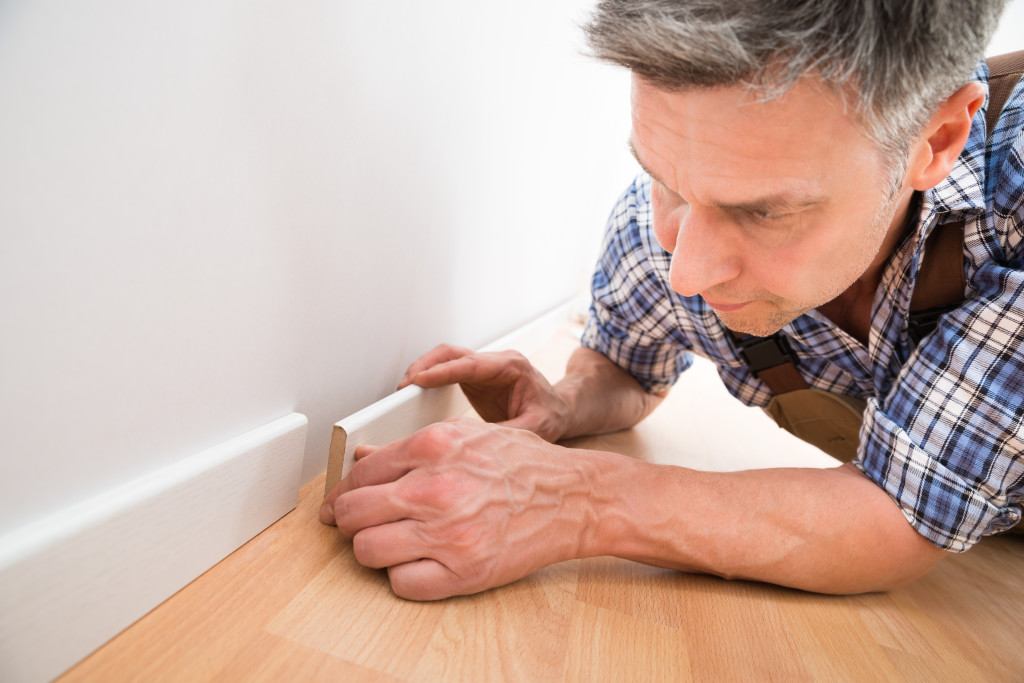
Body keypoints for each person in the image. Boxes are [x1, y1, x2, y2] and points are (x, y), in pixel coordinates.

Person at [321, 0, 1023, 601]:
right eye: (666, 181)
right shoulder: (656, 228)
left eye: (764, 213)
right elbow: (627, 366)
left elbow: (892, 519)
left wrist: (574, 498)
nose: (684, 270)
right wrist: (568, 401)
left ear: (936, 139)